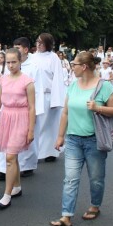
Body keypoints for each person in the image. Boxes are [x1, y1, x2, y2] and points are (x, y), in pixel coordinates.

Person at [50, 52, 113, 226]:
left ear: (84, 67)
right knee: (70, 179)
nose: (72, 67)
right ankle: (66, 216)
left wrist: (98, 107)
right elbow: (65, 112)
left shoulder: (104, 87)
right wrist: (60, 136)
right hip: (73, 140)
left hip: (95, 141)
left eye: (74, 64)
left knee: (96, 178)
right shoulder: (73, 85)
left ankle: (95, 205)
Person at [0, 48, 35, 209]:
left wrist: (31, 130)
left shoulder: (27, 81)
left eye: (14, 62)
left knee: (10, 157)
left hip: (21, 119)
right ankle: (17, 187)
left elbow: (32, 108)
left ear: (20, 62)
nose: (11, 65)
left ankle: (6, 195)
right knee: (12, 157)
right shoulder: (3, 80)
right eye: (8, 62)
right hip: (6, 118)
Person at [32, 33, 65, 163]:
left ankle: (51, 151)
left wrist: (56, 100)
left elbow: (57, 79)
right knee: (36, 124)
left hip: (48, 96)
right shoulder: (32, 58)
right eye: (37, 42)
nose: (39, 44)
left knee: (49, 125)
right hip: (34, 95)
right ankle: (36, 151)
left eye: (42, 42)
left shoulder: (53, 58)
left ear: (48, 44)